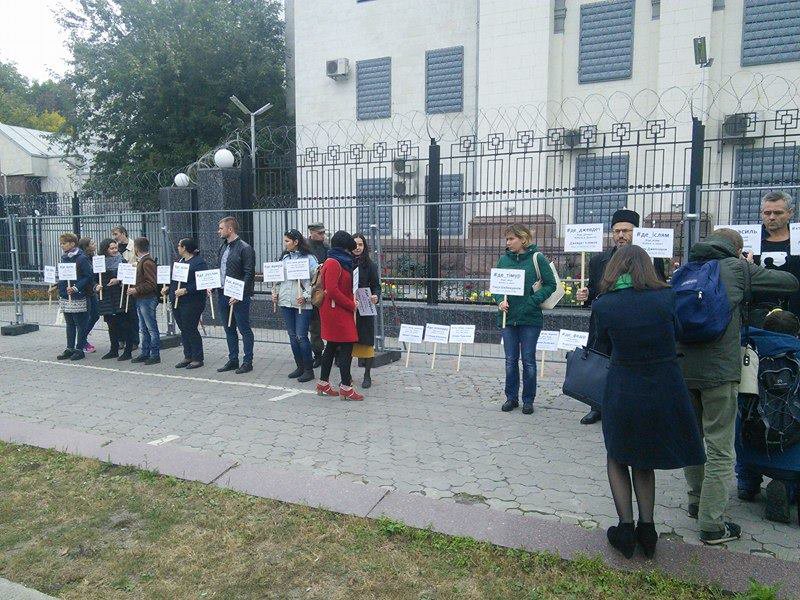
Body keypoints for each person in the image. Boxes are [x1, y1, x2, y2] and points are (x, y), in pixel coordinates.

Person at [679, 228, 799, 544]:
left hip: (683, 370)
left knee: (693, 441)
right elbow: (789, 284)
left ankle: (696, 501)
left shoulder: (686, 268)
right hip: (719, 372)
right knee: (720, 448)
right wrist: (748, 264)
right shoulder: (737, 267)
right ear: (736, 248)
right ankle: (711, 525)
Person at [590, 244, 705, 558]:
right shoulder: (666, 298)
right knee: (644, 459)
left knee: (617, 454)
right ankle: (648, 530)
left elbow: (600, 346)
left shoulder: (604, 305)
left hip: (622, 388)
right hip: (662, 387)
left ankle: (624, 529)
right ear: (647, 268)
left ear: (614, 270)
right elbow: (678, 333)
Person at [577, 209, 667, 425]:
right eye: (617, 231)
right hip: (604, 324)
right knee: (600, 361)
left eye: (626, 231)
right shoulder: (599, 260)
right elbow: (594, 290)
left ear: (636, 232)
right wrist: (586, 295)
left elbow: (661, 286)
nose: (620, 235)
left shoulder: (651, 259)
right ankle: (596, 405)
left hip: (636, 323)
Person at [735, 308, 800, 524]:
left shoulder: (747, 349)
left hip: (751, 447)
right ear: (796, 334)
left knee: (742, 410)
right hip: (791, 452)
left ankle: (747, 484)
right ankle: (787, 487)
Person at [493, 224, 556, 415]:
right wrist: (499, 302)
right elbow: (497, 287)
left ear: (523, 239)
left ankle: (528, 400)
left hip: (530, 318)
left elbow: (550, 284)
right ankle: (511, 398)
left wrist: (533, 300)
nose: (508, 242)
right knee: (510, 360)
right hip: (508, 318)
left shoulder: (537, 258)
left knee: (528, 360)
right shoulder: (503, 260)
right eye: (507, 239)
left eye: (511, 239)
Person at [316, 230, 363, 401]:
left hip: (336, 309)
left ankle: (323, 383)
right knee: (347, 346)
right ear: (344, 248)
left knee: (331, 346)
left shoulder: (336, 260)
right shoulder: (335, 263)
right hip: (337, 310)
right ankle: (346, 387)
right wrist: (351, 305)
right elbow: (333, 290)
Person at [272, 229, 318, 383]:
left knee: (301, 336)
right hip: (286, 302)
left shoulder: (309, 259)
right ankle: (299, 366)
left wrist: (305, 296)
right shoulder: (284, 258)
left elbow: (317, 281)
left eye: (287, 241)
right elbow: (278, 280)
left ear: (296, 242)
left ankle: (308, 369)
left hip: (302, 304)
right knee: (292, 336)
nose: (285, 244)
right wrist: (275, 292)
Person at [751, 191, 800, 325]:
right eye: (767, 213)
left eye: (778, 213)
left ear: (790, 213)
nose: (772, 217)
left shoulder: (797, 239)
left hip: (794, 312)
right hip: (758, 314)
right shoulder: (751, 241)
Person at [216, 216, 256, 374]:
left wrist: (240, 294)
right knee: (228, 328)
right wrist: (212, 285)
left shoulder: (245, 248)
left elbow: (249, 273)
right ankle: (233, 359)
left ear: (230, 229)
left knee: (244, 328)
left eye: (221, 228)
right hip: (223, 293)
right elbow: (219, 269)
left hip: (239, 296)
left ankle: (248, 361)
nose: (218, 231)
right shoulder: (223, 247)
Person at [166, 238, 207, 370]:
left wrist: (186, 290)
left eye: (179, 245)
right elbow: (175, 280)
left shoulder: (199, 263)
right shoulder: (180, 262)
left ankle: (197, 357)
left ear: (184, 248)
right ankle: (187, 355)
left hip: (192, 301)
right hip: (178, 301)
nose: (177, 248)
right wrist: (168, 288)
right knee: (183, 328)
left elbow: (202, 282)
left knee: (190, 328)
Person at [56, 232, 93, 361]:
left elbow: (88, 276)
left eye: (64, 243)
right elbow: (63, 276)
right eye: (61, 243)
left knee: (80, 323)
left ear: (72, 243)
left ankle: (79, 348)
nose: (62, 246)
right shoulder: (64, 257)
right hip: (66, 294)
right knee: (70, 323)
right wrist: (56, 286)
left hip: (78, 295)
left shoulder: (82, 258)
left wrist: (76, 287)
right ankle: (69, 348)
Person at [94, 238, 132, 360]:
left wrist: (118, 279)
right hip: (106, 296)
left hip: (120, 296)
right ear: (105, 249)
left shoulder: (122, 260)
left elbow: (129, 276)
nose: (115, 250)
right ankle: (113, 349)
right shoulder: (99, 262)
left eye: (116, 248)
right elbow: (93, 278)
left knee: (124, 324)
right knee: (111, 324)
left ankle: (128, 350)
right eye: (112, 248)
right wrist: (96, 286)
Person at [351, 233, 380, 389]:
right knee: (347, 343)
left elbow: (376, 285)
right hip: (348, 306)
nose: (358, 247)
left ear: (365, 246)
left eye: (361, 244)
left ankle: (367, 375)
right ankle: (346, 375)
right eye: (355, 244)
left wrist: (376, 296)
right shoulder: (345, 263)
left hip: (364, 306)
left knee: (367, 341)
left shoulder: (370, 265)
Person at [127, 237, 161, 365]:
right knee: (144, 328)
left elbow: (152, 284)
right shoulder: (143, 261)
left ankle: (155, 354)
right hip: (142, 299)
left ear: (136, 248)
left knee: (151, 328)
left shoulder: (147, 262)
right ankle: (145, 352)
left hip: (147, 299)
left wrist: (136, 289)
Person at [111, 225, 139, 349]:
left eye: (116, 234)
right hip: (117, 284)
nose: (115, 237)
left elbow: (140, 261)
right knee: (120, 313)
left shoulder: (134, 246)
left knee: (131, 313)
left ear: (123, 233)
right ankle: (121, 339)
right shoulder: (114, 247)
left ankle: (134, 340)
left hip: (130, 282)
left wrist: (130, 266)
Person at [307, 222, 329, 367]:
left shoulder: (327, 247)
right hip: (311, 291)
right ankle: (318, 355)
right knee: (315, 326)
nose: (323, 236)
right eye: (320, 233)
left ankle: (337, 353)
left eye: (323, 233)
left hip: (326, 290)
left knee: (332, 324)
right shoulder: (305, 248)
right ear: (312, 233)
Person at [78, 237, 99, 354]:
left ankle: (82, 338)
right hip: (85, 292)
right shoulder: (83, 259)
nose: (94, 244)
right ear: (86, 246)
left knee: (95, 315)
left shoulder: (93, 258)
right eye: (92, 243)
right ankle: (82, 341)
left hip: (92, 291)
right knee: (85, 317)